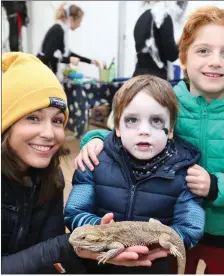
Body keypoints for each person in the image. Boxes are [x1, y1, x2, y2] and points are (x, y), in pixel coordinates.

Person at [74, 6, 224, 274]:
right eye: (203, 50)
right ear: (183, 58)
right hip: (170, 225)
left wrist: (216, 185)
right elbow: (127, 130)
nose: (215, 61)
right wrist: (95, 139)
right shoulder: (166, 100)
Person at [1, 52, 155, 274]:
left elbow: (51, 259)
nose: (49, 133)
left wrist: (92, 253)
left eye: (57, 120)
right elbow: (52, 249)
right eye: (32, 118)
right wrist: (66, 245)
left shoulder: (50, 177)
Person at [64, 75, 205, 274]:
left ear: (171, 129)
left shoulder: (187, 172)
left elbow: (191, 228)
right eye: (132, 120)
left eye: (156, 120)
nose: (144, 130)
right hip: (98, 265)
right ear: (118, 127)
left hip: (154, 265)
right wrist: (99, 229)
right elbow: (74, 212)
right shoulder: (93, 160)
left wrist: (157, 243)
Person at [37, 2, 100, 76]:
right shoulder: (57, 30)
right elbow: (48, 56)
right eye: (79, 21)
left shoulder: (61, 30)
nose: (79, 25)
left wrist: (91, 61)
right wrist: (69, 60)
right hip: (43, 74)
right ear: (71, 19)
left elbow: (68, 54)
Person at [133, 1, 182, 79]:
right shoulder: (162, 16)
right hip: (155, 79)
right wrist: (182, 42)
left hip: (138, 77)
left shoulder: (142, 18)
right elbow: (171, 55)